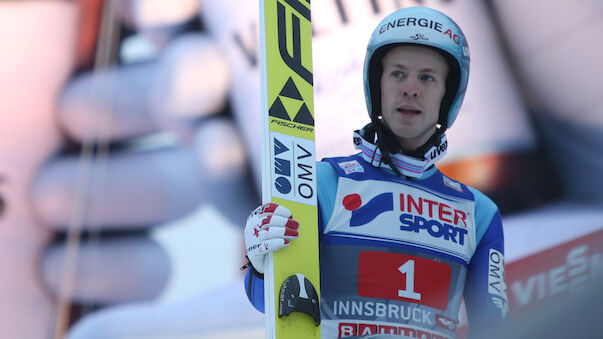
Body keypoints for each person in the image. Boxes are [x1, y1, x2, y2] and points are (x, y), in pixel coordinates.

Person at [243, 6, 509, 339]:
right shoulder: (322, 182)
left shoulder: (479, 214)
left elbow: (496, 327)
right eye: (398, 73)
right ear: (377, 85)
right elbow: (270, 304)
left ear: (448, 94)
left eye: (427, 77)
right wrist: (260, 264)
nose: (410, 88)